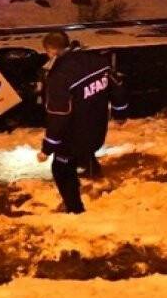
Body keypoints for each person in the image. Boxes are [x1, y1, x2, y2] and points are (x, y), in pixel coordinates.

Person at [37, 31, 128, 214]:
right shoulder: (97, 61)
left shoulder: (59, 77)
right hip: (97, 128)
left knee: (61, 168)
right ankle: (94, 173)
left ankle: (74, 209)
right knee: (86, 149)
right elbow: (117, 88)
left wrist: (47, 148)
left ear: (52, 51)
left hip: (74, 135)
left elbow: (58, 115)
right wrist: (120, 112)